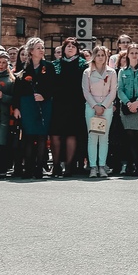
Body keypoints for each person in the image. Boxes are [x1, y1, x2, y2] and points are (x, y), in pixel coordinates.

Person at [17, 38, 55, 179]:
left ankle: (39, 168)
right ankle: (28, 168)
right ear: (31, 51)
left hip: (44, 104)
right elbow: (18, 89)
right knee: (28, 136)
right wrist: (16, 107)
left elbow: (53, 86)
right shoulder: (24, 67)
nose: (41, 50)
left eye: (42, 47)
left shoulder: (49, 66)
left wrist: (44, 96)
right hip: (27, 104)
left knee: (41, 136)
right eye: (38, 48)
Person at [50, 38, 87, 177]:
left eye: (73, 46)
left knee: (72, 134)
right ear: (63, 48)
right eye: (68, 46)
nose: (70, 48)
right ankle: (56, 165)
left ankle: (69, 166)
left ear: (77, 49)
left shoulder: (83, 65)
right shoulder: (55, 64)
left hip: (75, 104)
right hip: (58, 104)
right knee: (55, 134)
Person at [81, 46, 118, 177]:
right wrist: (95, 106)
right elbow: (86, 91)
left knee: (103, 137)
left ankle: (102, 166)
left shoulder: (111, 72)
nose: (100, 57)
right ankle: (93, 167)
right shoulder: (87, 72)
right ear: (94, 57)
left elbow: (113, 91)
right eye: (98, 55)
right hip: (91, 107)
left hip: (106, 107)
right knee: (92, 137)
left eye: (103, 55)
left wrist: (103, 106)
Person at [116, 43, 138, 176]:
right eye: (132, 53)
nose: (134, 55)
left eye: (136, 53)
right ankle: (132, 164)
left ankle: (137, 163)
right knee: (129, 136)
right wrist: (128, 103)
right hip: (126, 107)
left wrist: (137, 102)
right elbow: (120, 90)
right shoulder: (123, 71)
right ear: (128, 55)